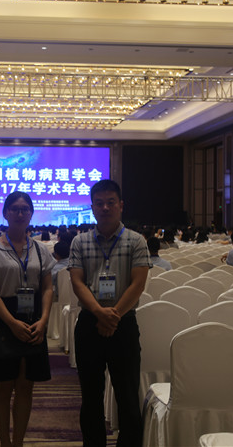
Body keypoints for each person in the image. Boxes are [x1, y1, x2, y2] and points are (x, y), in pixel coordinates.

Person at [69, 179, 150, 447]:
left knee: (127, 396)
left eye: (110, 202)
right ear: (92, 207)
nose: (105, 208)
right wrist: (99, 313)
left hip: (123, 324)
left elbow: (138, 284)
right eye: (99, 203)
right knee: (90, 396)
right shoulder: (80, 241)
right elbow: (77, 282)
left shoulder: (136, 241)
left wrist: (113, 315)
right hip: (89, 324)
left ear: (121, 205)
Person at [0, 192, 54, 447]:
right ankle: (5, 443)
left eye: (25, 209)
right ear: (5, 213)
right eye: (15, 209)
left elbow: (47, 288)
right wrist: (11, 322)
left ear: (31, 213)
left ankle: (18, 442)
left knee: (25, 385)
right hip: (4, 317)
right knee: (3, 386)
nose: (20, 213)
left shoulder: (40, 250)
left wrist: (44, 320)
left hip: (33, 319)